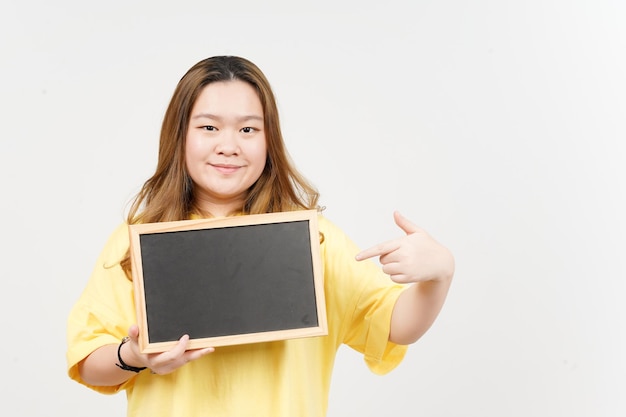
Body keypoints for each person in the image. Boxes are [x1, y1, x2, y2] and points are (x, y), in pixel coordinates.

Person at [66, 55, 454, 416]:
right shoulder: (137, 241)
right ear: (179, 136)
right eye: (208, 127)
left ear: (270, 140)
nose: (228, 146)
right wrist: (134, 355)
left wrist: (440, 274)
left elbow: (395, 327)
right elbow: (88, 362)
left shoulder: (313, 239)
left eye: (248, 129)